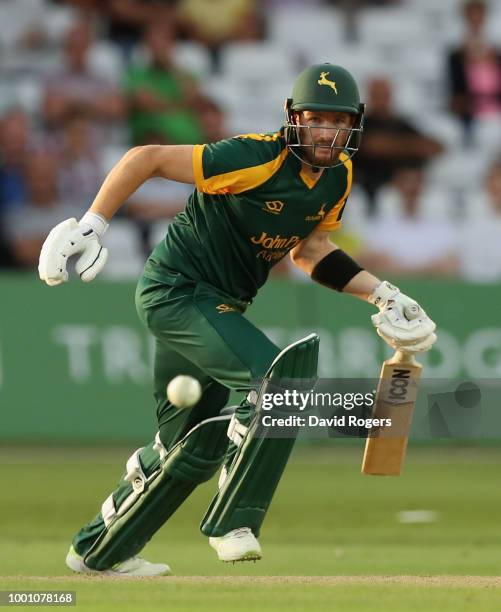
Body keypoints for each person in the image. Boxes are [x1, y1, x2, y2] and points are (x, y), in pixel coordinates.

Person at [38, 63, 436, 576]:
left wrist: (383, 294)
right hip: (177, 291)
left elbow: (311, 252)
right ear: (293, 120)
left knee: (190, 444)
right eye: (316, 120)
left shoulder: (338, 176)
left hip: (219, 305)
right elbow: (147, 157)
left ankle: (97, 551)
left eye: (337, 122)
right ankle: (232, 522)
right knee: (279, 380)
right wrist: (93, 224)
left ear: (353, 126)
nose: (327, 132)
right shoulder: (255, 157)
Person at [355, 77, 443, 213]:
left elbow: (435, 147)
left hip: (400, 186)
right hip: (367, 185)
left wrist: (391, 146)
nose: (381, 100)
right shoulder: (359, 124)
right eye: (377, 95)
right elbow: (370, 146)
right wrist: (410, 146)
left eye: (385, 95)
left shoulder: (402, 124)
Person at [446, 0, 501, 143]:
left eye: (479, 14)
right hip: (469, 108)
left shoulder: (495, 51)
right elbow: (455, 88)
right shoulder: (456, 54)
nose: (475, 19)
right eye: (471, 14)